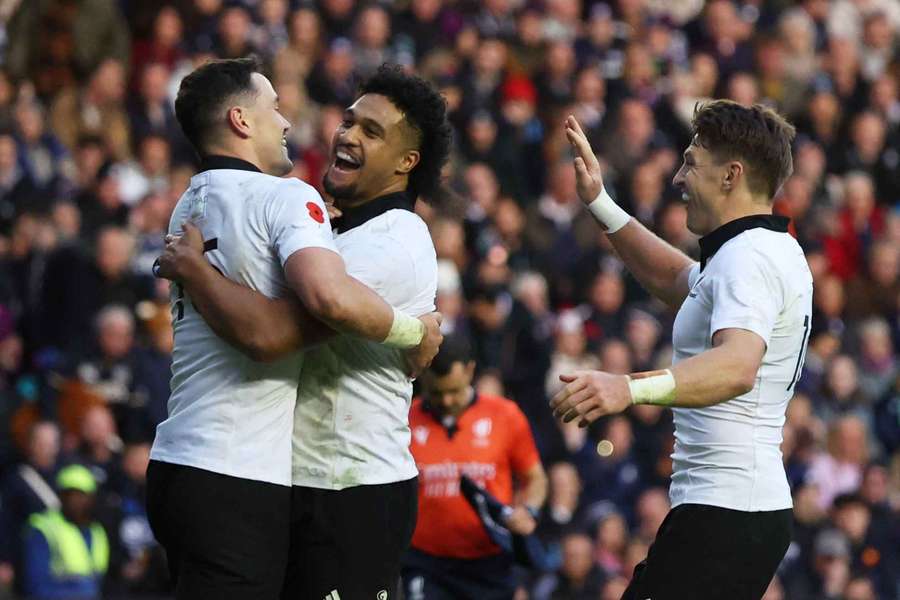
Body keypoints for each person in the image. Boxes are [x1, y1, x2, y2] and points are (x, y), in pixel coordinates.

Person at [146, 57, 442, 600]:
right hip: (276, 479)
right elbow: (287, 319)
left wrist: (199, 271)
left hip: (349, 490)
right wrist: (416, 333)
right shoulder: (306, 219)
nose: (346, 134)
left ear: (407, 162)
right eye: (348, 121)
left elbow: (284, 328)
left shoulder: (395, 239)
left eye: (371, 131)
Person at [550, 101, 812, 599]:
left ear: (731, 175)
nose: (678, 178)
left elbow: (737, 366)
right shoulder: (761, 249)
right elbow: (678, 280)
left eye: (691, 162)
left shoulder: (748, 258)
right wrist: (600, 202)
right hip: (738, 509)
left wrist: (628, 388)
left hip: (726, 512)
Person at [402, 336, 548, 599]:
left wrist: (528, 510)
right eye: (436, 393)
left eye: (454, 391)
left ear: (469, 370)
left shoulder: (505, 415)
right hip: (426, 562)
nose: (447, 401)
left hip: (489, 561)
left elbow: (535, 478)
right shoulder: (405, 419)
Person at [22, 464, 109, 599]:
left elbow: (99, 580)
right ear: (61, 497)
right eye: (70, 495)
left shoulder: (97, 531)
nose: (75, 501)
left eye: (82, 495)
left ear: (91, 498)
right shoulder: (44, 528)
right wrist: (81, 591)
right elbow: (36, 586)